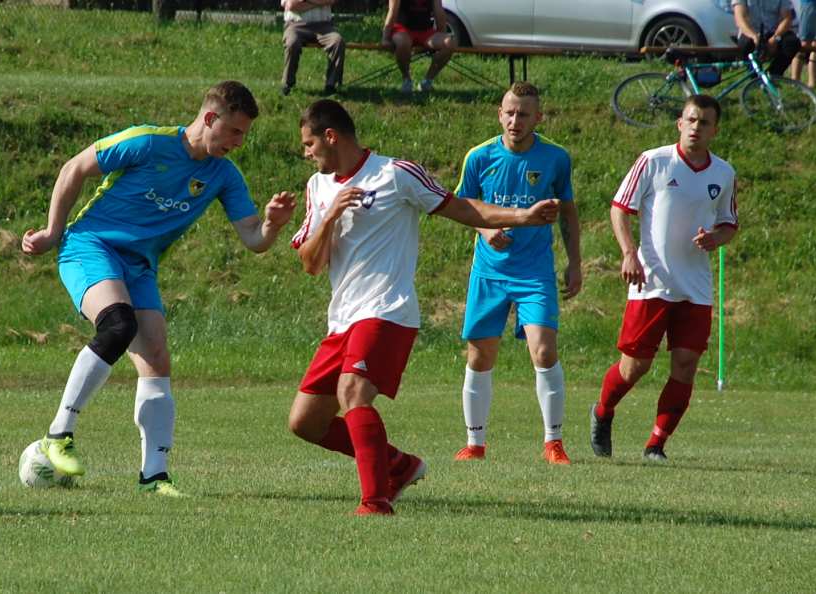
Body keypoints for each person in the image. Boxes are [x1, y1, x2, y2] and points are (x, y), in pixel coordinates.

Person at [21, 81, 297, 495]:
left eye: (244, 134)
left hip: (139, 266)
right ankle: (58, 436)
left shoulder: (223, 175)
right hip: (91, 246)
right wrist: (51, 231)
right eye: (235, 131)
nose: (239, 143)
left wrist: (273, 223)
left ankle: (154, 477)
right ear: (210, 118)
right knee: (118, 325)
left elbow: (254, 240)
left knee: (156, 354)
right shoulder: (147, 143)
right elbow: (74, 168)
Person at [288, 99, 560, 515]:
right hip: (342, 319)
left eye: (309, 144)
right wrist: (331, 215)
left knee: (353, 392)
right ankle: (400, 465)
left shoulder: (396, 173)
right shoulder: (318, 187)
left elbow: (460, 206)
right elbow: (310, 262)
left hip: (387, 309)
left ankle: (375, 501)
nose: (306, 153)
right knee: (305, 422)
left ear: (331, 136)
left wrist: (522, 216)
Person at [590, 95, 739, 463]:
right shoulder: (654, 161)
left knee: (686, 364)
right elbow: (619, 208)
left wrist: (716, 238)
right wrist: (628, 253)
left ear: (714, 130)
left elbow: (729, 223)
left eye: (704, 122)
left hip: (696, 287)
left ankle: (656, 444)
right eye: (691, 120)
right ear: (679, 123)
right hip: (651, 282)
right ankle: (603, 412)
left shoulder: (723, 173)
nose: (696, 128)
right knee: (635, 367)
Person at [452, 82, 582, 466]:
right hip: (489, 272)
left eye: (523, 114)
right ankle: (475, 445)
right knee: (480, 357)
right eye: (509, 112)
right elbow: (463, 206)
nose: (515, 120)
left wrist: (575, 262)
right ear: (499, 114)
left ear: (537, 118)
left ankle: (553, 443)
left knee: (543, 349)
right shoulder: (479, 156)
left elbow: (569, 211)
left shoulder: (555, 158)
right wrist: (485, 229)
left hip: (534, 272)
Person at [381, 0, 455, 93]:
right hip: (402, 29)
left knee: (449, 44)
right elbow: (392, 12)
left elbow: (439, 14)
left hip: (425, 31)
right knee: (403, 43)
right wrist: (385, 38)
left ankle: (427, 81)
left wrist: (442, 35)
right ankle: (406, 79)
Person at [280, 0, 345, 96]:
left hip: (324, 26)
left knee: (337, 41)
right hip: (295, 25)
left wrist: (305, 2)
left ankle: (331, 85)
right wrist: (320, 2)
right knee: (292, 43)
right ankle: (288, 84)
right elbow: (291, 5)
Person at [733, 0, 801, 76]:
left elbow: (787, 18)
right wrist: (753, 36)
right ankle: (754, 76)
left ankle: (773, 75)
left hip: (774, 32)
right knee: (746, 44)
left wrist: (775, 37)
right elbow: (740, 19)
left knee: (792, 42)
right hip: (750, 32)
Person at [791, 0, 816, 88]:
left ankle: (812, 82)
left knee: (815, 43)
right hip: (810, 4)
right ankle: (795, 80)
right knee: (803, 44)